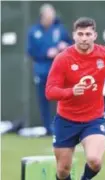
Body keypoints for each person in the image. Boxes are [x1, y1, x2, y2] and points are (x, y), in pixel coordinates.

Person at [45, 17, 105, 180]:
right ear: (74, 35)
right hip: (66, 120)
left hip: (93, 119)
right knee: (63, 170)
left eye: (88, 34)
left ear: (94, 35)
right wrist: (71, 91)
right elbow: (50, 92)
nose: (84, 38)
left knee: (95, 161)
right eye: (80, 34)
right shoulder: (63, 58)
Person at [27, 3, 72, 135]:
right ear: (43, 16)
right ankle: (48, 128)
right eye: (48, 15)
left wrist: (65, 46)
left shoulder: (59, 29)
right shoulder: (34, 31)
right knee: (44, 100)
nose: (51, 18)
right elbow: (30, 51)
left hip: (59, 71)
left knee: (63, 98)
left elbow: (70, 44)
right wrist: (46, 53)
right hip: (42, 70)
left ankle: (64, 125)